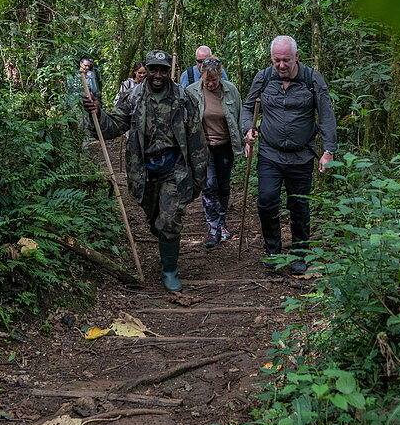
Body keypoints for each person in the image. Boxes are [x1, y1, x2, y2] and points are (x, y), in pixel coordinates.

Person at [83, 49, 208, 292]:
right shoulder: (133, 97)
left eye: (163, 70)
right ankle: (164, 241)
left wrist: (198, 178)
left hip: (174, 168)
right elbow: (112, 127)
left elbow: (196, 139)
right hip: (144, 169)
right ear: (147, 70)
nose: (158, 74)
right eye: (153, 69)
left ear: (169, 71)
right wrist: (97, 112)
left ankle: (170, 271)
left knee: (169, 219)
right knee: (154, 220)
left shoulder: (183, 99)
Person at [241, 36, 337, 274]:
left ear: (296, 57)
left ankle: (299, 255)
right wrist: (247, 130)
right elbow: (246, 108)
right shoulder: (263, 78)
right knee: (267, 201)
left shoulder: (312, 79)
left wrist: (329, 150)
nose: (281, 65)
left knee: (300, 206)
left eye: (286, 60)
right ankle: (273, 251)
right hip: (270, 154)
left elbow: (326, 115)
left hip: (301, 155)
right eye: (277, 60)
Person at [185, 58, 244, 248]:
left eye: (214, 80)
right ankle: (213, 228)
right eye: (207, 80)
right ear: (201, 75)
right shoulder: (192, 91)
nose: (210, 84)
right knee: (209, 186)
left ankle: (222, 222)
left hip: (226, 145)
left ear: (220, 76)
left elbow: (239, 116)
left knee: (223, 186)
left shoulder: (230, 90)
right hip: (204, 146)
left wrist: (246, 139)